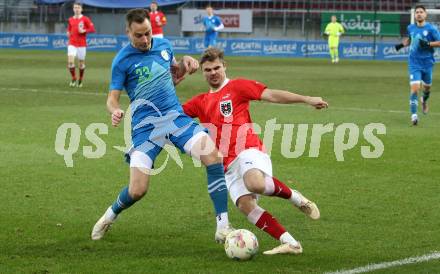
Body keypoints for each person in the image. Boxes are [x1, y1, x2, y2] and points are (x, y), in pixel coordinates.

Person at [91, 9, 234, 244]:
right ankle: (109, 216)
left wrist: (186, 63)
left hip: (174, 117)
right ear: (128, 32)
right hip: (145, 127)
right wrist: (115, 110)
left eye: (147, 33)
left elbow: (174, 74)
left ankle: (223, 226)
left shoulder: (164, 45)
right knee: (137, 190)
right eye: (139, 36)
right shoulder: (121, 61)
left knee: (213, 156)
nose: (145, 40)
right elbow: (112, 98)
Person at [182, 48, 328, 255]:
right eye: (208, 70)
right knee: (245, 205)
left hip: (248, 149)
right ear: (203, 73)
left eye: (217, 68)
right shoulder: (200, 101)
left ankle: (296, 198)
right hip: (226, 164)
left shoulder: (238, 86)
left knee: (255, 183)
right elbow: (173, 115)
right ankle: (291, 244)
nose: (213, 72)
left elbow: (272, 95)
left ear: (225, 67)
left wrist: (307, 99)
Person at [395, 5, 440, 125]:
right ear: (414, 15)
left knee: (427, 88)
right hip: (414, 63)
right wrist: (402, 45)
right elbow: (411, 39)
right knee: (415, 89)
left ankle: (424, 101)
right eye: (417, 12)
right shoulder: (410, 27)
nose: (419, 14)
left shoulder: (432, 29)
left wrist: (429, 44)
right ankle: (414, 116)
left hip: (428, 63)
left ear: (425, 15)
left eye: (421, 12)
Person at [66, 2, 95, 88]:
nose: (77, 9)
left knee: (81, 64)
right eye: (75, 8)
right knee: (70, 62)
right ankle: (74, 78)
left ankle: (80, 79)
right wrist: (68, 32)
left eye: (78, 8)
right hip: (72, 43)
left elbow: (92, 29)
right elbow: (69, 28)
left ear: (81, 9)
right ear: (73, 9)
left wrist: (84, 31)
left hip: (82, 44)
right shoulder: (70, 19)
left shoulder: (85, 19)